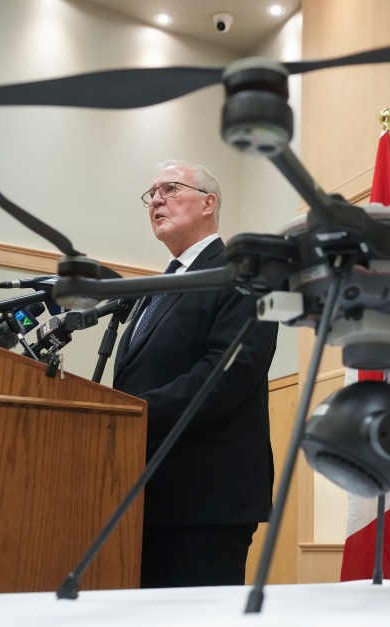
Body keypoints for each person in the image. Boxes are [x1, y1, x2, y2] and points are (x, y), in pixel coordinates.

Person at [113, 159, 278, 588]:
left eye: (169, 188)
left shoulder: (244, 272)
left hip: (205, 499)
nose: (157, 201)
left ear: (209, 203)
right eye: (152, 195)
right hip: (145, 494)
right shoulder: (160, 286)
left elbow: (227, 372)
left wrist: (131, 412)